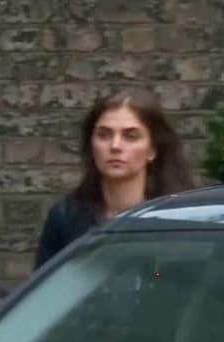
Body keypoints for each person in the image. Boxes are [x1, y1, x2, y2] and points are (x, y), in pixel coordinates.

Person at [34, 88, 194, 269]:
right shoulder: (66, 216)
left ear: (152, 150)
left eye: (130, 136)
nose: (115, 146)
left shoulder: (177, 218)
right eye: (104, 135)